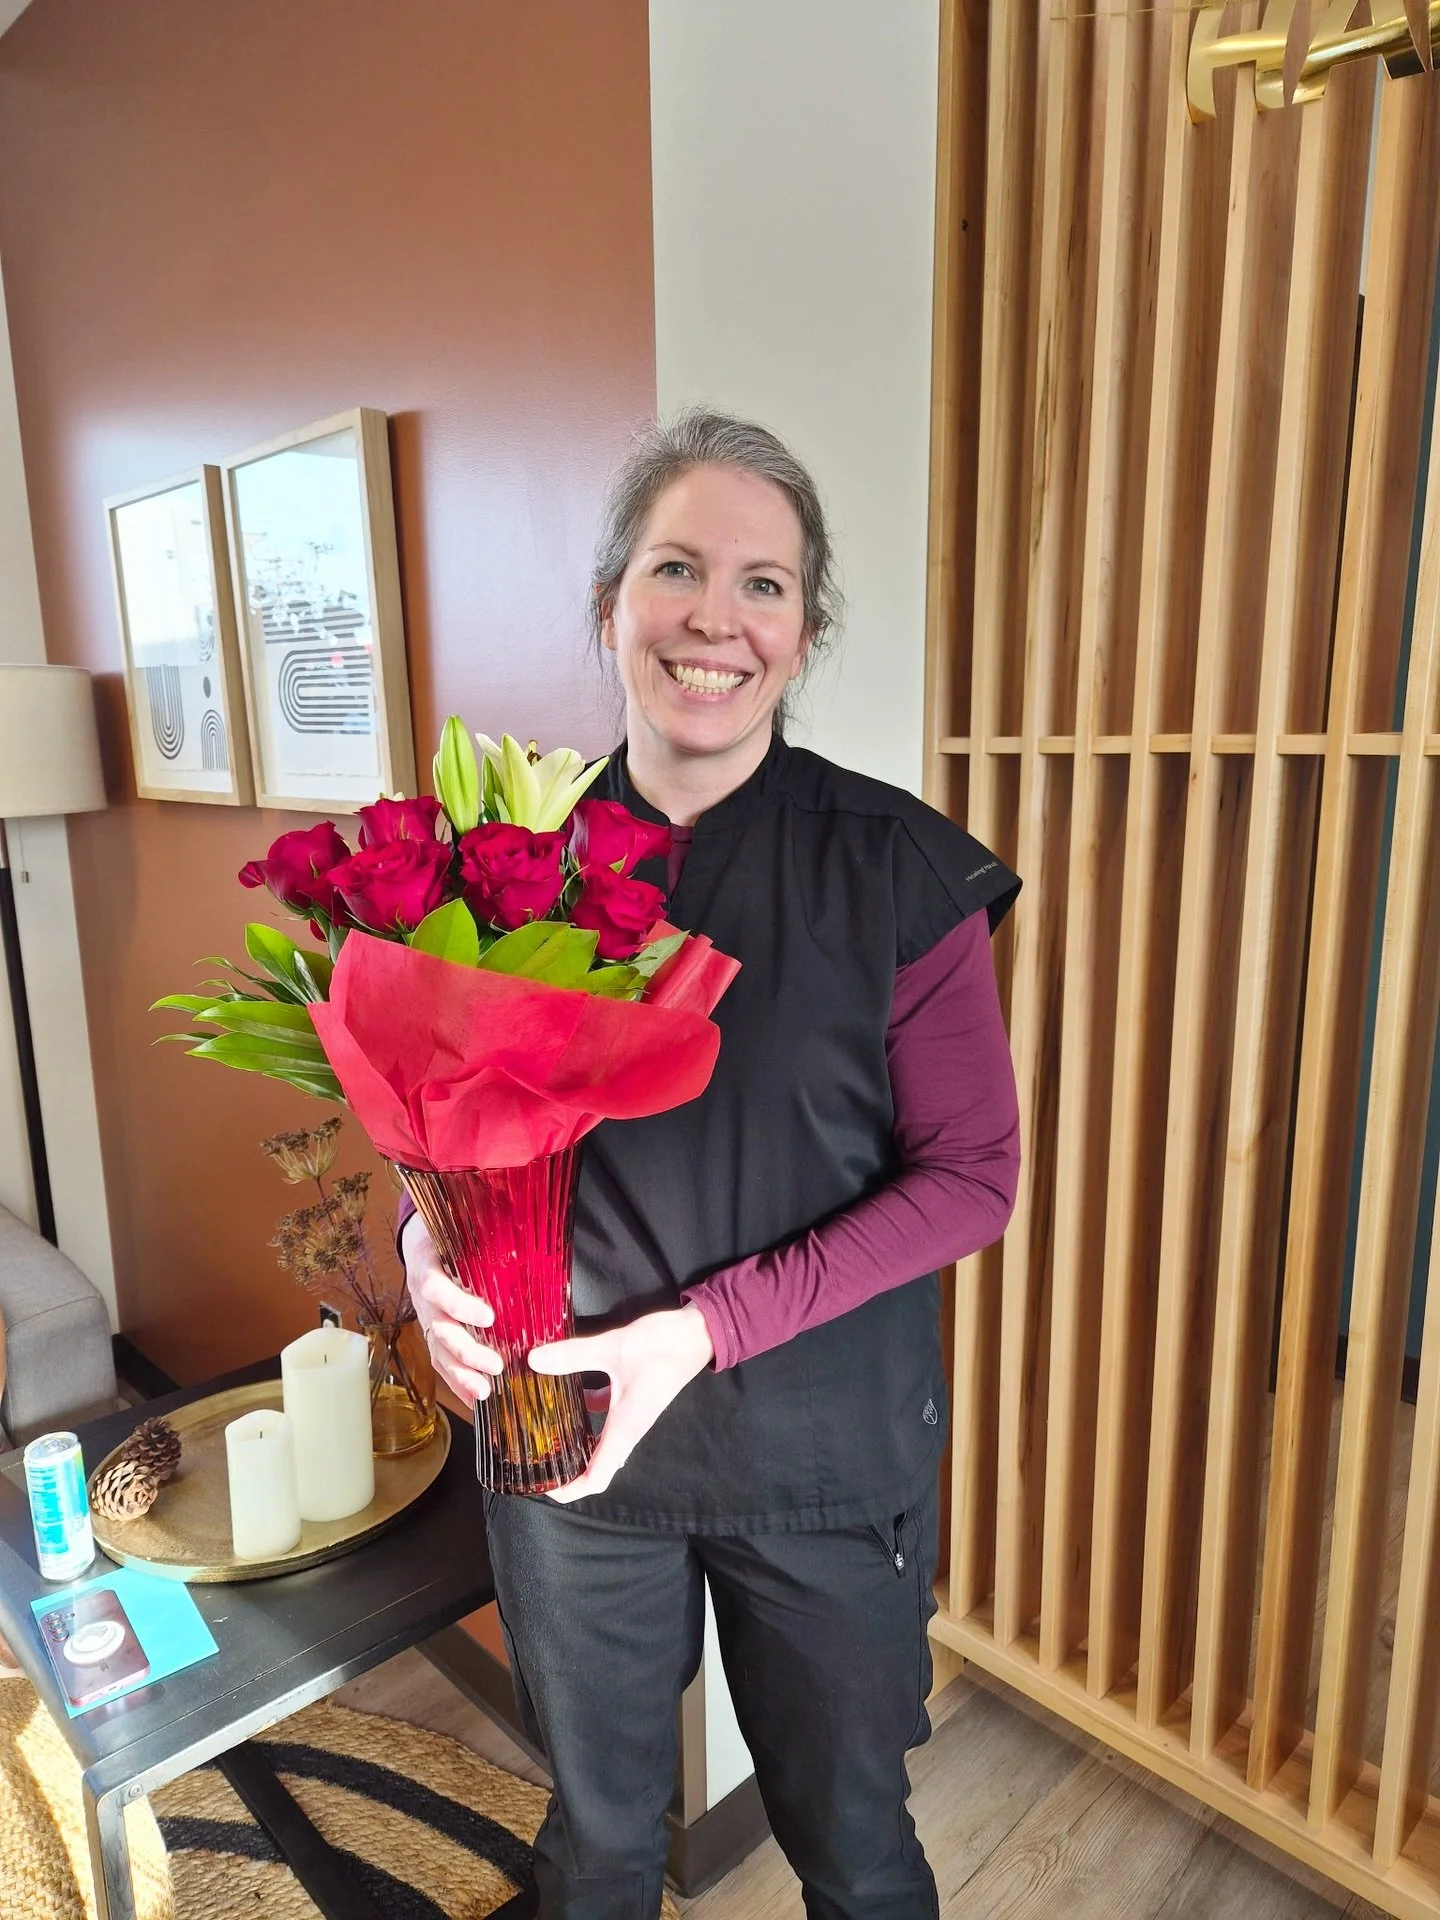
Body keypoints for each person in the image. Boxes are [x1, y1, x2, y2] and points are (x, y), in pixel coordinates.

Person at [401, 410, 1021, 1920]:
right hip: (568, 1443)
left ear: (804, 635)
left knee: (857, 1852)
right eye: (676, 567)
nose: (715, 619)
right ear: (611, 601)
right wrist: (426, 1258)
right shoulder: (500, 867)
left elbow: (972, 1178)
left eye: (765, 585)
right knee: (604, 1845)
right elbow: (430, 1123)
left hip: (821, 1458)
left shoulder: (898, 870)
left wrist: (702, 1332)